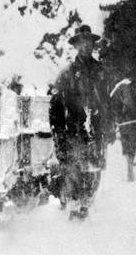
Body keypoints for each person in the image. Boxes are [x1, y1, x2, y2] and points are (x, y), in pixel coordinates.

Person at [49, 25, 115, 220]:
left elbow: (109, 103)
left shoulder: (102, 72)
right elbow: (55, 110)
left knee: (94, 178)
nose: (86, 46)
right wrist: (59, 138)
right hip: (74, 134)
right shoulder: (66, 74)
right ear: (76, 46)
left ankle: (85, 215)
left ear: (93, 45)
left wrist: (109, 126)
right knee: (74, 179)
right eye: (82, 42)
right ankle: (73, 217)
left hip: (97, 134)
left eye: (89, 42)